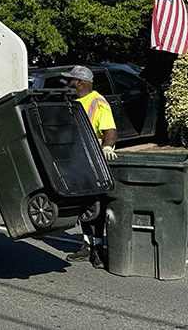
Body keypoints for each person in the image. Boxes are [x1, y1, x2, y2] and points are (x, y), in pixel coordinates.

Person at [62, 65, 118, 270]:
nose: (68, 84)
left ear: (80, 82)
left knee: (95, 207)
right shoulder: (74, 102)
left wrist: (108, 147)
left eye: (71, 80)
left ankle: (98, 248)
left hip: (93, 161)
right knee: (84, 206)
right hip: (77, 160)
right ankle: (87, 245)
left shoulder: (97, 101)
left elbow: (110, 130)